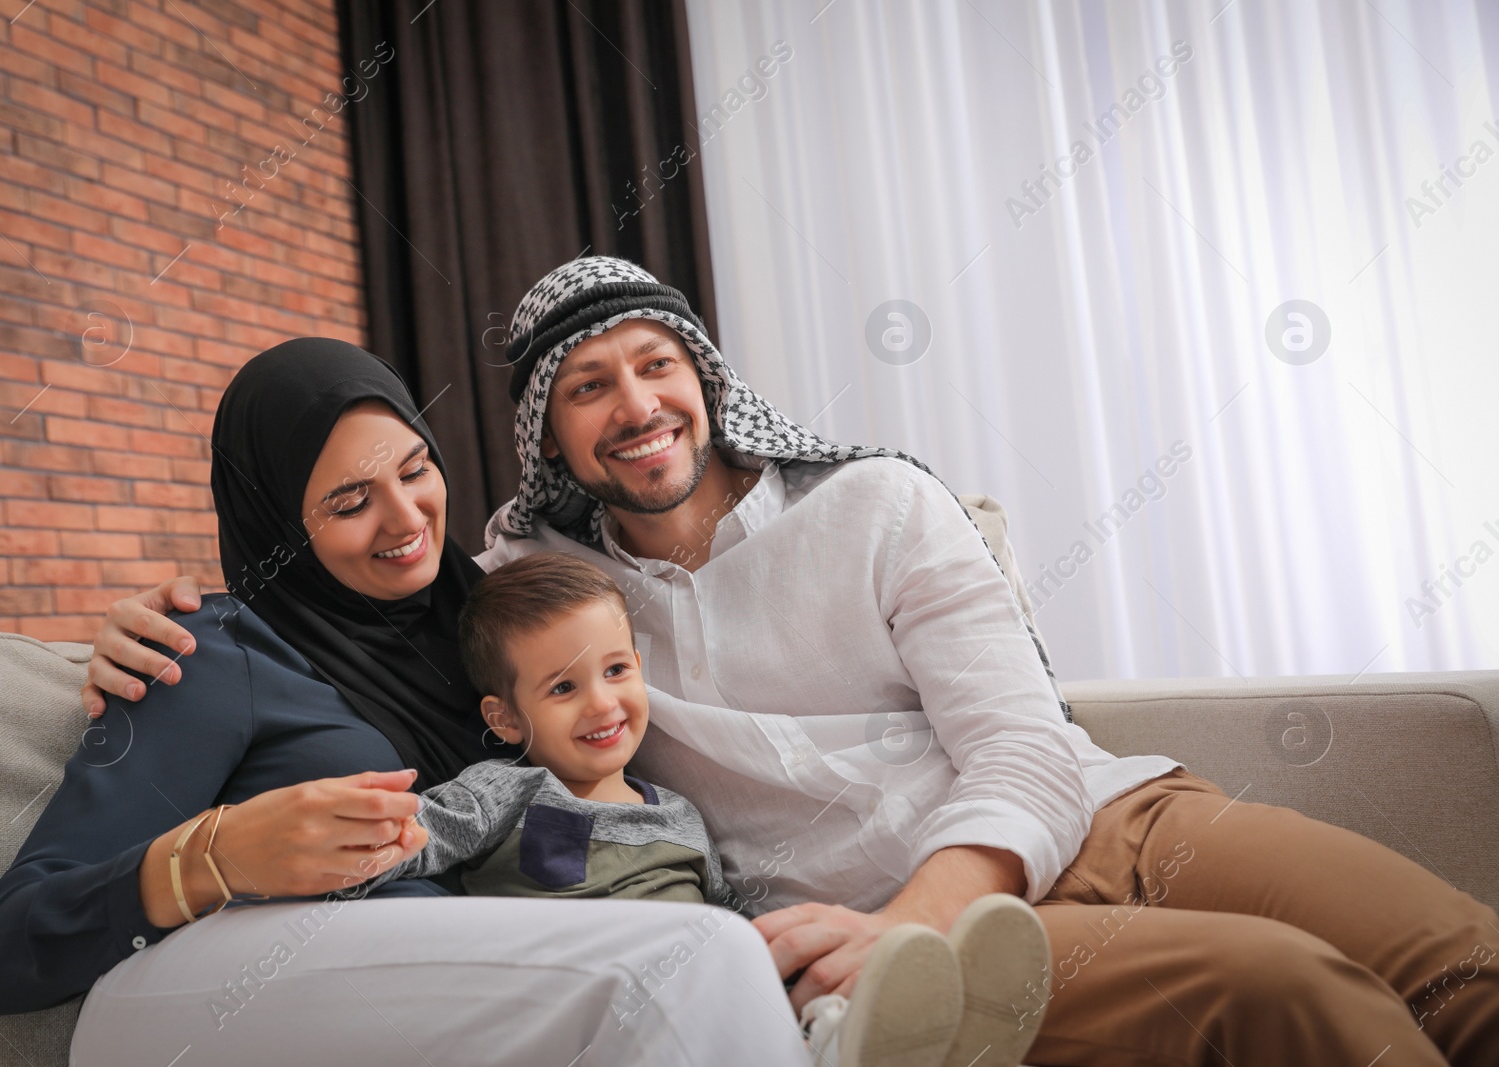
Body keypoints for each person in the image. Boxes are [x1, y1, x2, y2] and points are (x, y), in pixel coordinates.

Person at [84, 258, 1499, 1067]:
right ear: (548, 434)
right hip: (885, 922)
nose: (634, 405)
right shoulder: (526, 588)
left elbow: (1019, 741)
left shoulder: (875, 501)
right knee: (1299, 996)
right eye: (588, 388)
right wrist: (147, 627)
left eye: (655, 364)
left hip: (1114, 817)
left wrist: (936, 901)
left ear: (704, 371)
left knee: (1464, 963)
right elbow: (336, 570)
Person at [0, 338, 819, 1067]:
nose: (406, 518)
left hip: (461, 993)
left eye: (415, 470)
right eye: (348, 501)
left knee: (722, 952)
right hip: (208, 998)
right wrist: (218, 854)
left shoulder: (488, 619)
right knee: (694, 957)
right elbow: (0, 951)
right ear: (276, 521)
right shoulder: (208, 654)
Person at [363, 549, 1001, 1067]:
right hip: (584, 1015)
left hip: (704, 1001)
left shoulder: (679, 815)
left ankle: (886, 1025)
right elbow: (410, 836)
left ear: (639, 667)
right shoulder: (505, 792)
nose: (601, 703)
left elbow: (724, 919)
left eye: (615, 670)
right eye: (562, 687)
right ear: (503, 719)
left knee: (768, 986)